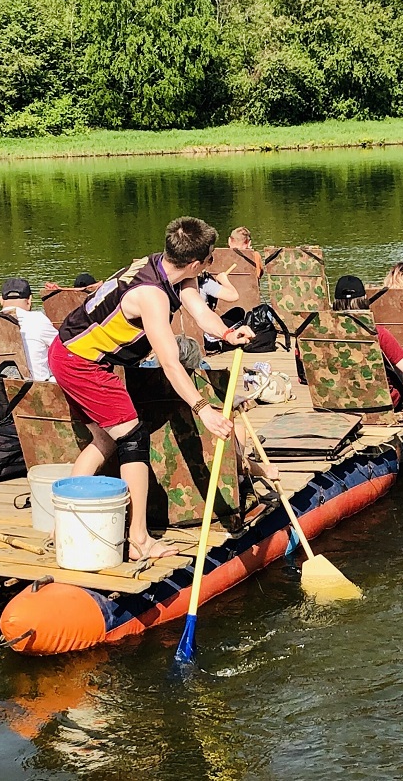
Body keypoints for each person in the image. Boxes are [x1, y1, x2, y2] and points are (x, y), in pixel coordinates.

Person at [49, 216, 255, 561]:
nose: (209, 267)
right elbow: (171, 363)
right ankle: (140, 540)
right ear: (195, 261)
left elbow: (200, 311)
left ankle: (64, 525)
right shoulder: (152, 297)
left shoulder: (169, 267)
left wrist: (226, 333)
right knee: (132, 435)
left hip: (73, 352)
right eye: (209, 261)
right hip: (77, 361)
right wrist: (203, 409)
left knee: (105, 439)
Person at [332, 275, 403, 408]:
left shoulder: (318, 334)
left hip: (336, 401)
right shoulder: (377, 333)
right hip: (380, 402)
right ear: (364, 301)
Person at [0, 278, 58, 382]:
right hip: (34, 388)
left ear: (1, 300)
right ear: (30, 300)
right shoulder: (38, 320)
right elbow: (64, 348)